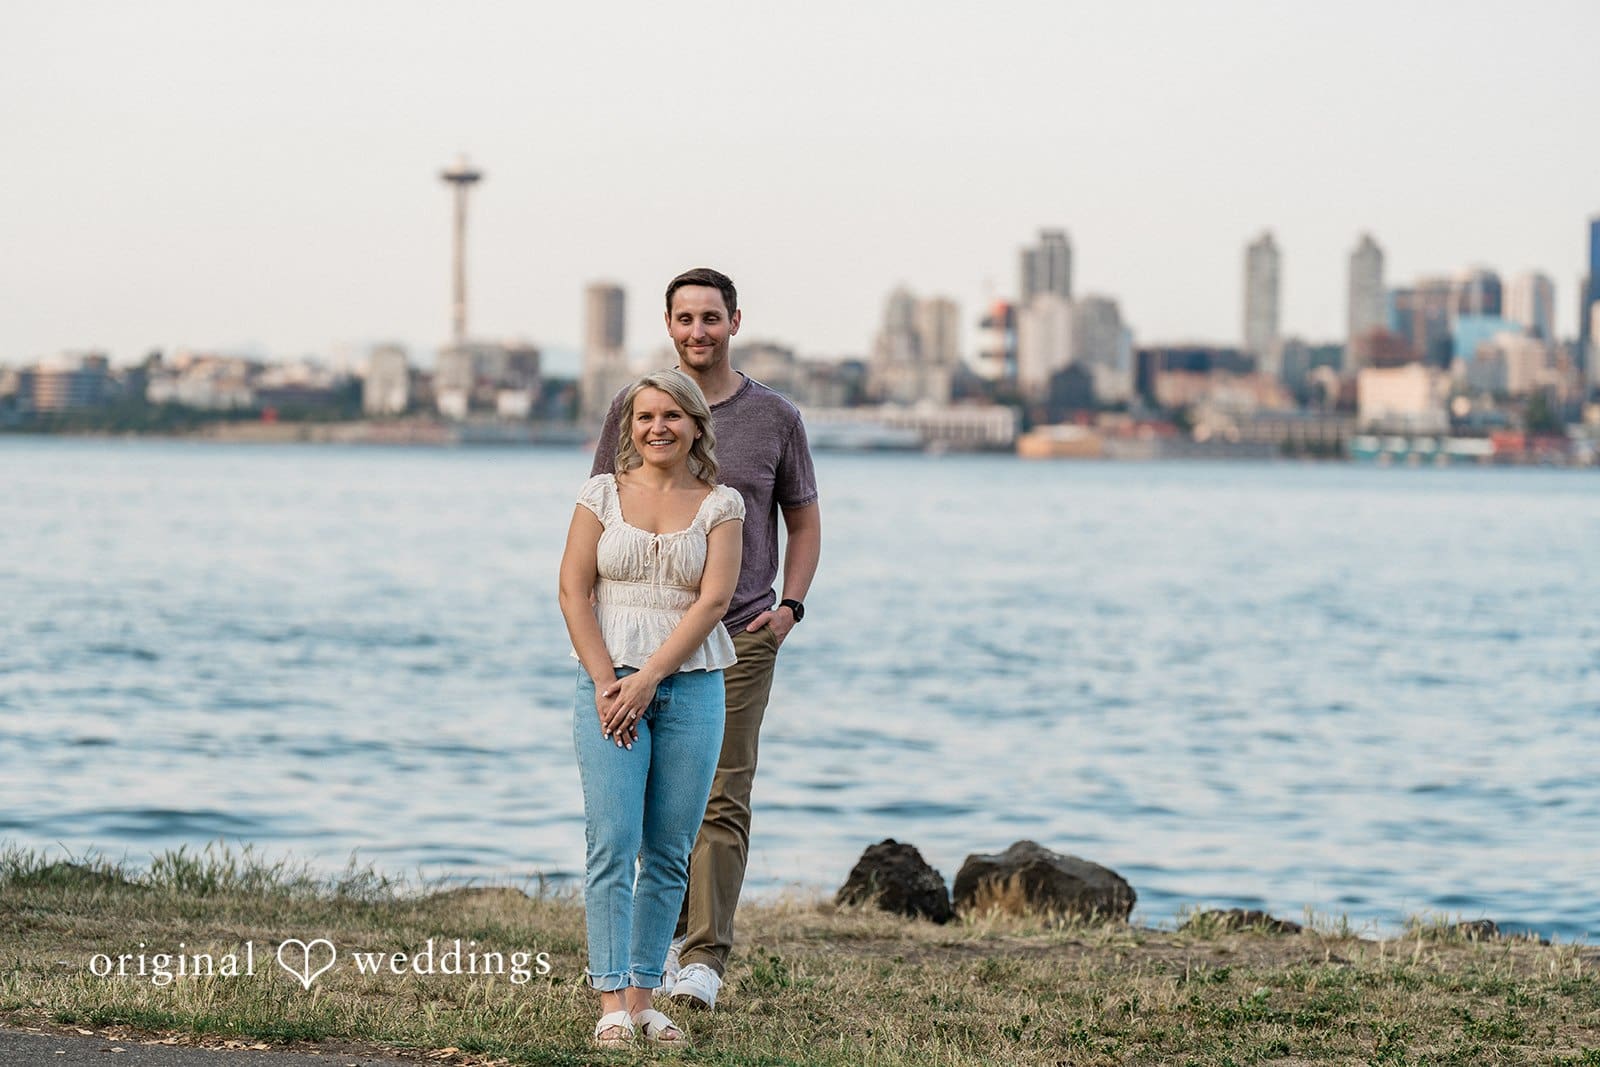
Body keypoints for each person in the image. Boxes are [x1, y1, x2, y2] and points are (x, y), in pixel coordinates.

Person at [590, 267, 821, 1011]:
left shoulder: (776, 416)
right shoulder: (637, 406)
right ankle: (642, 960)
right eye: (685, 318)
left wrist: (790, 608)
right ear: (668, 324)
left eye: (711, 318)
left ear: (734, 321)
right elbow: (600, 513)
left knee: (721, 796)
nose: (698, 331)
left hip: (739, 634)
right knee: (644, 810)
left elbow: (804, 521)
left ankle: (702, 960)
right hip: (639, 637)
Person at [559, 368, 745, 1047]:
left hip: (692, 687)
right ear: (628, 426)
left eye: (672, 415)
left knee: (668, 851)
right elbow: (573, 592)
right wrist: (612, 681)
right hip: (607, 686)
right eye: (644, 416)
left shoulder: (722, 504)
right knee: (612, 843)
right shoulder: (600, 494)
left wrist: (651, 679)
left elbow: (715, 601)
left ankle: (643, 1000)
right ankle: (611, 1001)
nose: (657, 427)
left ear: (696, 424)